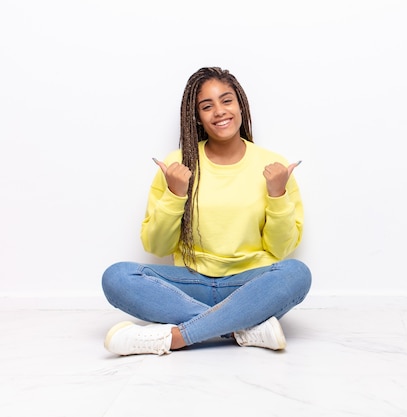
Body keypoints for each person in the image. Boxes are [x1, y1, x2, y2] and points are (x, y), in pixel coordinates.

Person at [101, 67, 312, 356]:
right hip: (191, 283)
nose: (219, 112)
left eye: (226, 101)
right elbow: (157, 246)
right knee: (116, 277)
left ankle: (177, 338)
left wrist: (277, 194)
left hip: (249, 285)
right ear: (197, 116)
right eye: (206, 106)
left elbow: (280, 249)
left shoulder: (273, 165)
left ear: (240, 104)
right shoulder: (178, 165)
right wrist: (175, 194)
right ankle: (241, 326)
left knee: (296, 274)